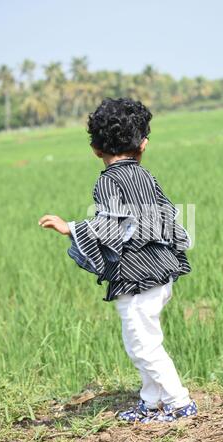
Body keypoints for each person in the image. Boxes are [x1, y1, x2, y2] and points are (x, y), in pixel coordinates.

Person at [39, 97, 197, 423]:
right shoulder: (146, 176)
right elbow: (165, 215)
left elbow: (111, 224)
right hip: (160, 273)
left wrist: (70, 228)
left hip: (136, 281)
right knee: (141, 342)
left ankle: (181, 405)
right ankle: (151, 403)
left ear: (96, 149)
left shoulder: (108, 180)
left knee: (143, 346)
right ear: (143, 144)